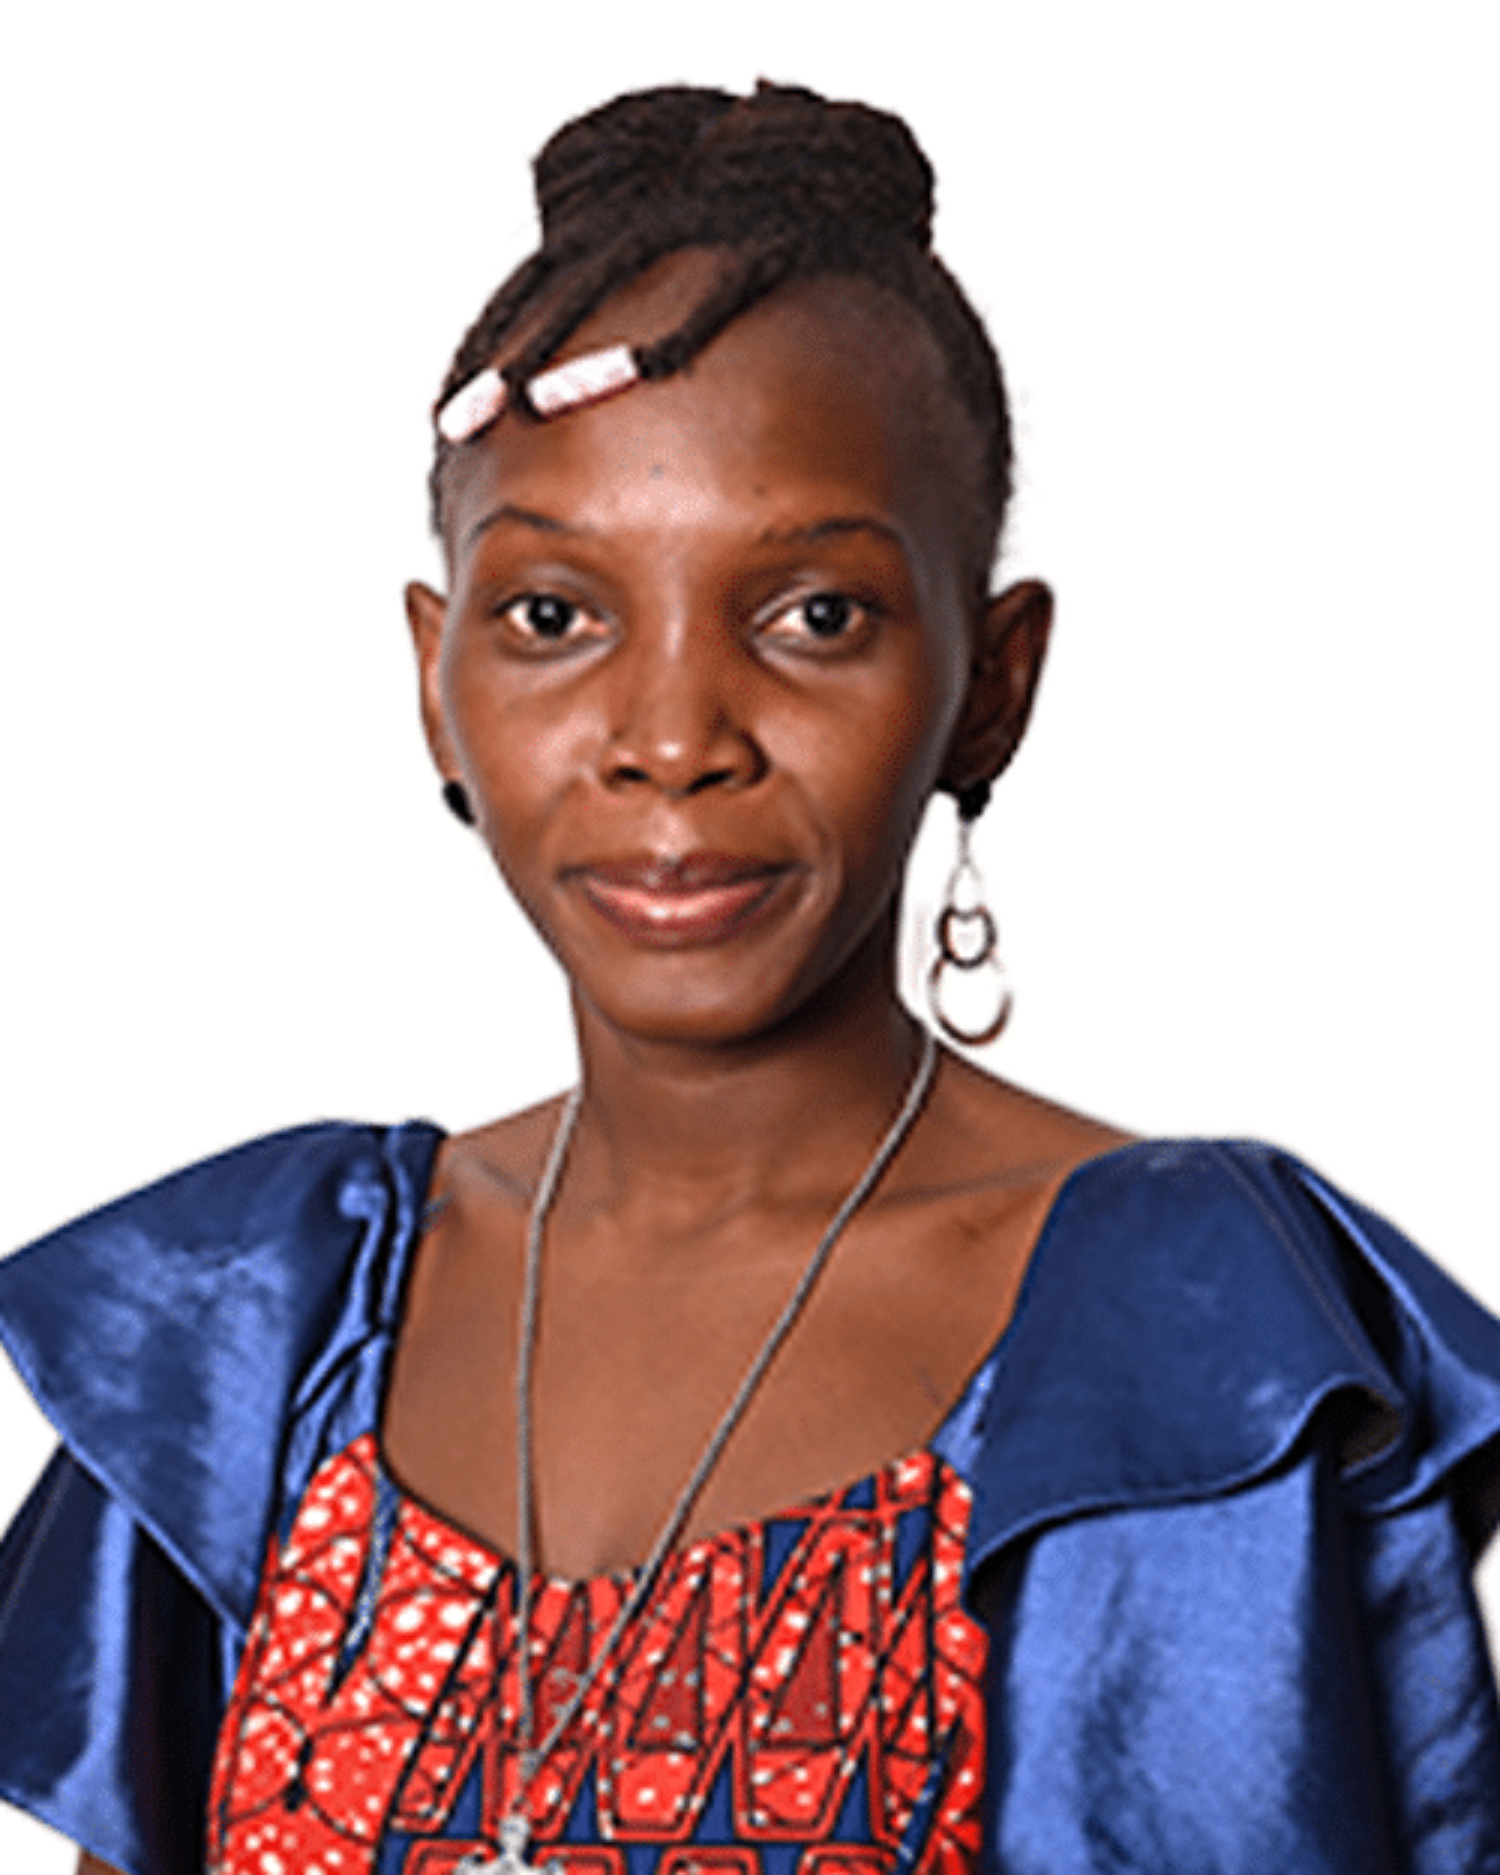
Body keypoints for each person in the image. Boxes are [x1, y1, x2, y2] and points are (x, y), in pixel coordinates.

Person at [3, 80, 1499, 1875]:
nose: (672, 736)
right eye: (554, 615)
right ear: (436, 679)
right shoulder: (262, 1325)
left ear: (993, 684)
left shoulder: (1177, 1348)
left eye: (813, 616)